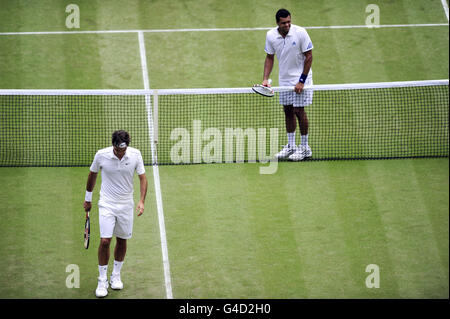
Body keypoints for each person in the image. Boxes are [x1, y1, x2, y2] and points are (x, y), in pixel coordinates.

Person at [83, 130, 148, 298]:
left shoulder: (135, 155)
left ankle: (116, 275)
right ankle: (102, 279)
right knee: (105, 241)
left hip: (126, 205)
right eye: (119, 150)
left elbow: (143, 178)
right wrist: (88, 199)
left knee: (122, 240)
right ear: (113, 145)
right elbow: (92, 174)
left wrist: (141, 201)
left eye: (124, 150)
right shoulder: (101, 155)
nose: (121, 153)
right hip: (107, 204)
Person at [263, 8, 314, 161]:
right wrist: (265, 78)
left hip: (301, 79)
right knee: (287, 110)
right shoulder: (271, 35)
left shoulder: (300, 33)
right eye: (284, 23)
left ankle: (305, 148)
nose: (287, 25)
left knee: (299, 110)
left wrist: (302, 81)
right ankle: (291, 145)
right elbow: (269, 57)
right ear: (277, 23)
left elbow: (309, 56)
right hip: (284, 80)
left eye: (289, 22)